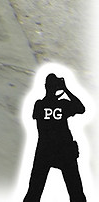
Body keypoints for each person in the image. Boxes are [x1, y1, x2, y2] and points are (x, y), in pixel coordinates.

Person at [26, 73, 86, 202]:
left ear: (46, 87)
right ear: (56, 87)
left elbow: (38, 117)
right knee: (76, 194)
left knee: (34, 193)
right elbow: (81, 108)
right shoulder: (64, 105)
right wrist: (65, 89)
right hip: (64, 151)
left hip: (45, 150)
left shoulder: (39, 105)